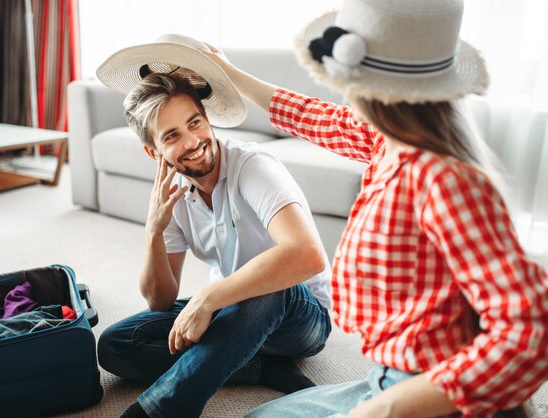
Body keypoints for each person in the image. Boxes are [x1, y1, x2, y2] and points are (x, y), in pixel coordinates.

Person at [200, 0, 548, 417]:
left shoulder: (443, 180)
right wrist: (231, 75)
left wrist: (387, 409)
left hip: (425, 392)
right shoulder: (387, 138)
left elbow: (532, 330)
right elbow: (312, 116)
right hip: (386, 375)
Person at [95, 34, 332, 418]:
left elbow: (307, 256)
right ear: (153, 152)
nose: (194, 141)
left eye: (195, 123)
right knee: (116, 344)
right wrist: (154, 231)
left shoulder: (253, 167)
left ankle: (161, 409)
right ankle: (259, 368)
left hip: (299, 316)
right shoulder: (170, 192)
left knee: (267, 283)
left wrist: (208, 299)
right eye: (172, 135)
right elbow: (159, 300)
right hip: (233, 313)